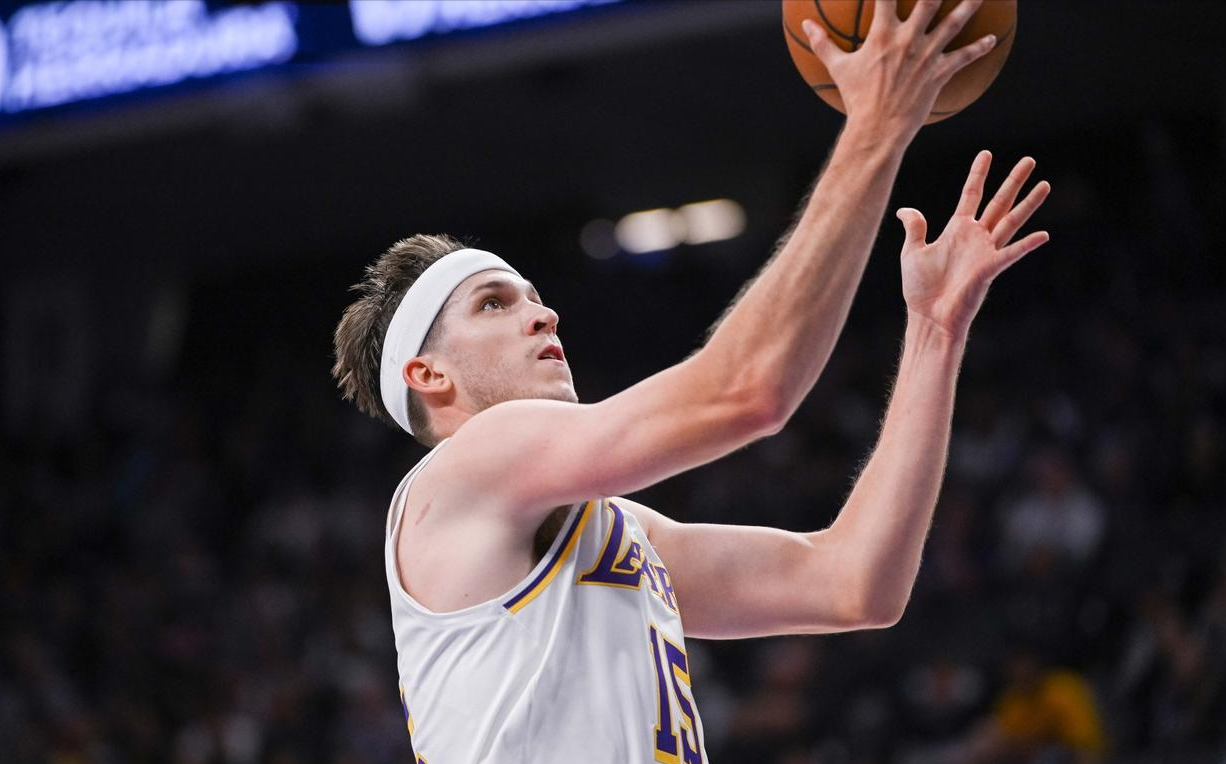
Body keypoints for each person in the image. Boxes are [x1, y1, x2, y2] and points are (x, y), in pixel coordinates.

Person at [330, 2, 1051, 761]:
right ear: (428, 374)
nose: (542, 316)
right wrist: (876, 124)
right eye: (493, 304)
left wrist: (934, 331)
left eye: (535, 298)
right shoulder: (462, 472)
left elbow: (854, 583)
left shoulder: (619, 537)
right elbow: (747, 391)